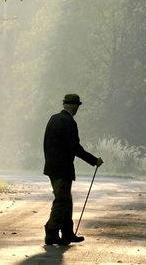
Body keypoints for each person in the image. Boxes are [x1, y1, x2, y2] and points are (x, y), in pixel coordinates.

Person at [43, 93, 103, 246]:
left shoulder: (53, 119)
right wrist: (94, 160)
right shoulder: (69, 122)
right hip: (63, 169)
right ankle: (51, 231)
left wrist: (49, 162)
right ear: (74, 106)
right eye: (77, 105)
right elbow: (75, 148)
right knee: (61, 201)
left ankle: (68, 233)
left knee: (66, 200)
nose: (77, 109)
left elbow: (46, 144)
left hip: (51, 167)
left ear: (64, 104)